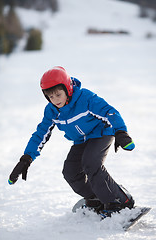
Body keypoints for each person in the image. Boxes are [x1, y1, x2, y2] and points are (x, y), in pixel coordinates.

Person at [8, 66, 135, 214]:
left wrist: (120, 131)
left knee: (91, 162)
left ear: (67, 89)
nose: (55, 100)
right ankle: (96, 198)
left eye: (58, 94)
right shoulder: (52, 111)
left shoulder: (85, 98)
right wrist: (27, 158)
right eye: (50, 96)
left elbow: (109, 111)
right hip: (81, 140)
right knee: (70, 171)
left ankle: (119, 201)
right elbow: (41, 134)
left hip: (101, 133)